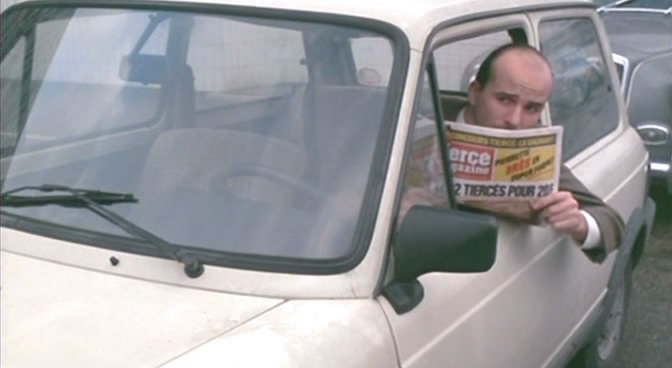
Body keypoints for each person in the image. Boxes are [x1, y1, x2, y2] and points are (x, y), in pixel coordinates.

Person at [402, 43, 624, 263]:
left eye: (532, 109)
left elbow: (610, 222)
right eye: (505, 100)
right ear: (475, 92)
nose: (515, 121)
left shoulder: (534, 147)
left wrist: (578, 222)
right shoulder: (415, 121)